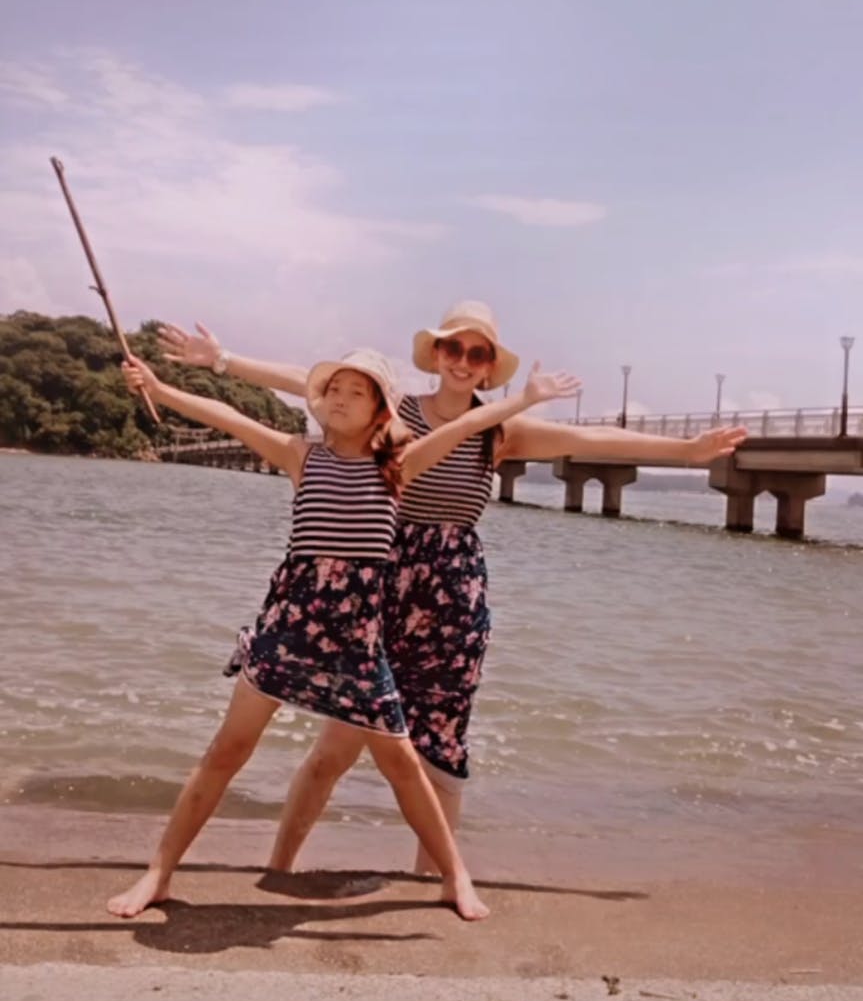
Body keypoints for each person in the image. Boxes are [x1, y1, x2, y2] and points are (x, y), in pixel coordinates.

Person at [158, 303, 746, 874]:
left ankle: (432, 883)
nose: (463, 361)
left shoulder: (499, 430)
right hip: (378, 587)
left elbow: (587, 440)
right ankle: (280, 869)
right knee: (336, 748)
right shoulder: (395, 415)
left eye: (477, 353)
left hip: (451, 598)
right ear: (436, 354)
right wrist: (223, 360)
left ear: (489, 368)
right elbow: (306, 383)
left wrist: (685, 452)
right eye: (453, 348)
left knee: (440, 747)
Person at [107, 345, 580, 920]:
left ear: (381, 410)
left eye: (357, 392)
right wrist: (159, 389)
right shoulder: (299, 455)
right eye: (333, 389)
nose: (340, 399)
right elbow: (228, 417)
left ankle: (455, 878)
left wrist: (524, 400)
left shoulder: (399, 467)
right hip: (289, 626)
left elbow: (467, 426)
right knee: (226, 751)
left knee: (403, 765)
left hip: (359, 642)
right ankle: (157, 874)